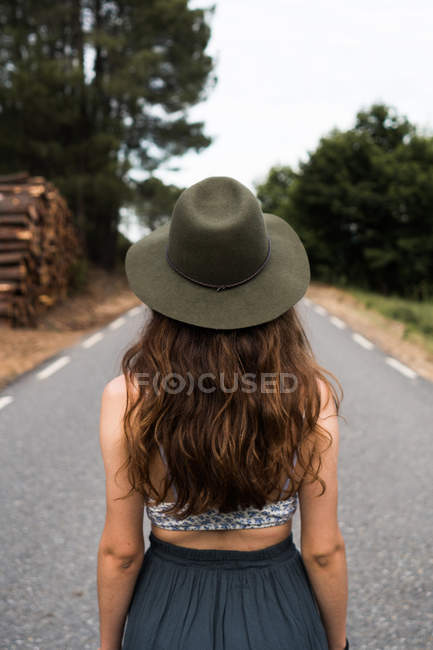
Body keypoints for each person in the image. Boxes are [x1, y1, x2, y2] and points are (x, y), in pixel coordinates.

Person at [97, 176, 349, 650]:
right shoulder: (309, 395)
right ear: (274, 297)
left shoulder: (127, 396)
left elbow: (121, 552)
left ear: (166, 296)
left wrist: (109, 645)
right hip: (280, 613)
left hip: (166, 613)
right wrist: (338, 644)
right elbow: (324, 551)